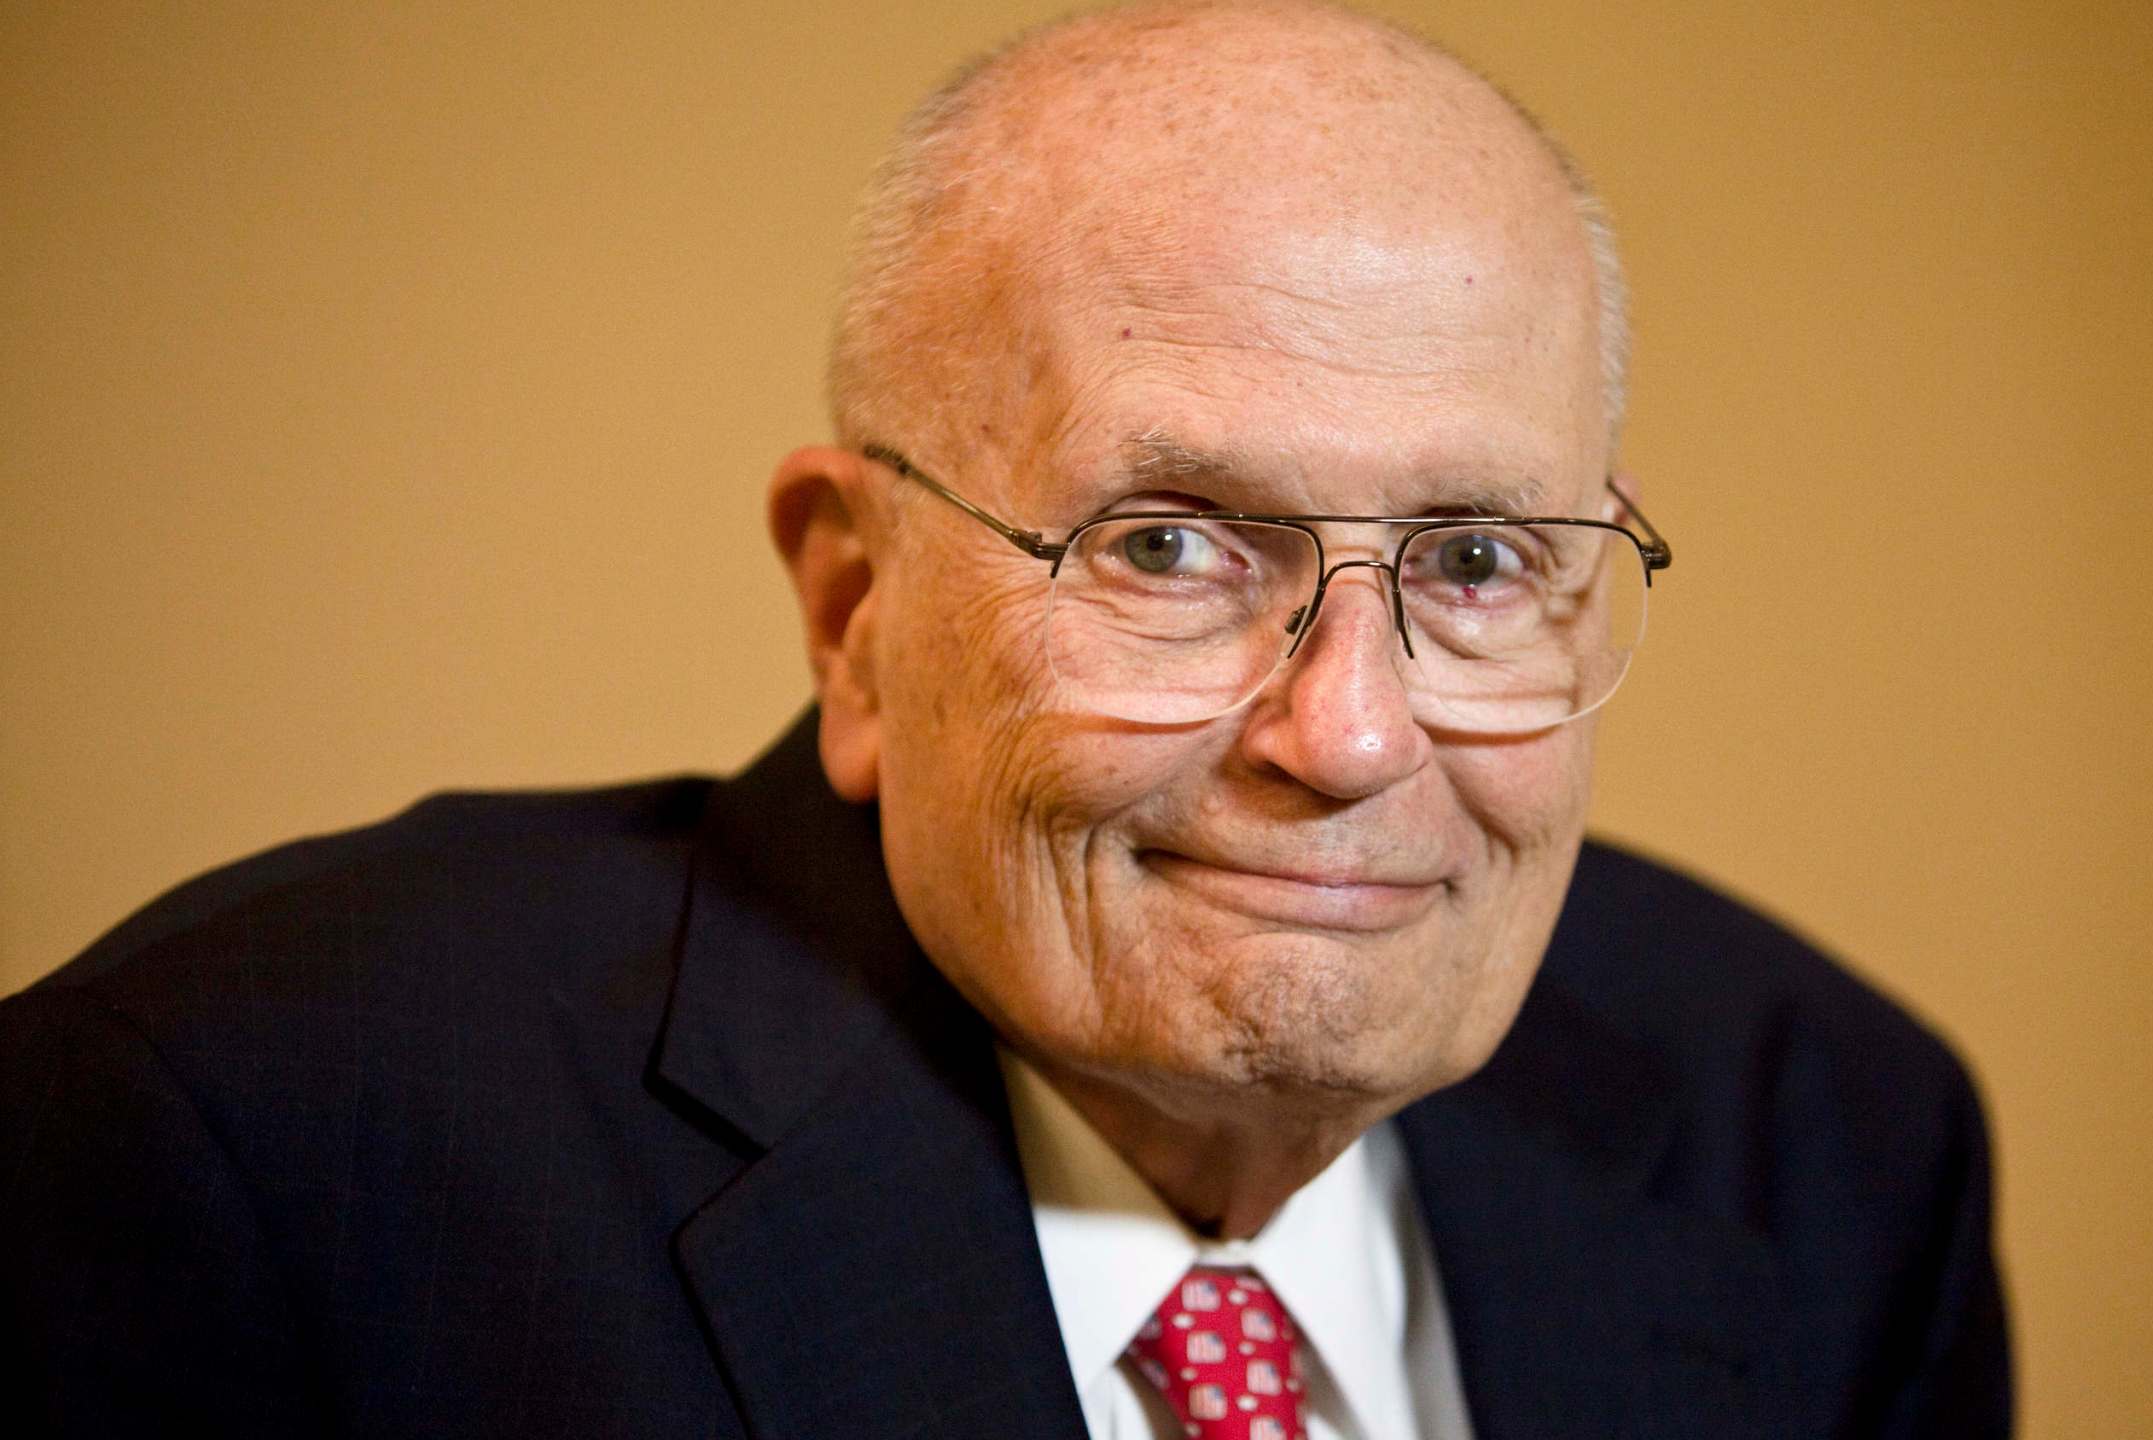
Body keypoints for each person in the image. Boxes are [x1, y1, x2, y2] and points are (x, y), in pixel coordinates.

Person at [0, 2, 2009, 1436]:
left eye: (1476, 561)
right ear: (855, 610)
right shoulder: (249, 1144)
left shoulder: (1820, 1140)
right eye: (1169, 545)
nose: (1350, 736)